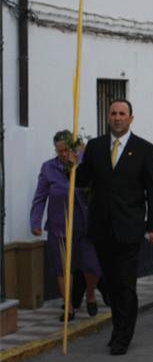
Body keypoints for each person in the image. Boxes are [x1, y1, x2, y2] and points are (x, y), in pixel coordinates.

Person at [74, 99, 153, 355]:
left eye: (122, 113)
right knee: (111, 283)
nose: (117, 117)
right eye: (113, 113)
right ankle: (118, 326)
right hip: (101, 226)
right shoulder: (95, 146)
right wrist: (72, 164)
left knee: (125, 284)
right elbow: (83, 180)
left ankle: (123, 335)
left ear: (131, 118)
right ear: (108, 117)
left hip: (129, 227)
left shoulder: (144, 149)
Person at [31, 130, 102, 321]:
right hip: (58, 226)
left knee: (92, 266)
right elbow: (40, 197)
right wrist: (35, 221)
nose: (63, 154)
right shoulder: (49, 168)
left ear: (73, 148)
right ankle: (68, 307)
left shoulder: (84, 164)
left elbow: (95, 187)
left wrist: (75, 165)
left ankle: (90, 294)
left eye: (66, 150)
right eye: (59, 150)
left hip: (84, 224)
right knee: (62, 268)